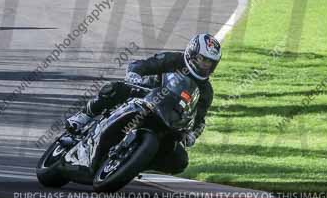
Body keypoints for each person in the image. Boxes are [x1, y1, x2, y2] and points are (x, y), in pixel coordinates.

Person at [66, 34, 222, 175]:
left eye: (210, 62)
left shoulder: (206, 91)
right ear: (192, 53)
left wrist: (192, 134)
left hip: (169, 118)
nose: (205, 65)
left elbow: (199, 118)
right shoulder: (174, 59)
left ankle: (134, 163)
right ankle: (84, 115)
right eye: (203, 59)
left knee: (180, 161)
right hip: (145, 95)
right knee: (115, 88)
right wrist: (135, 74)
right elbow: (145, 65)